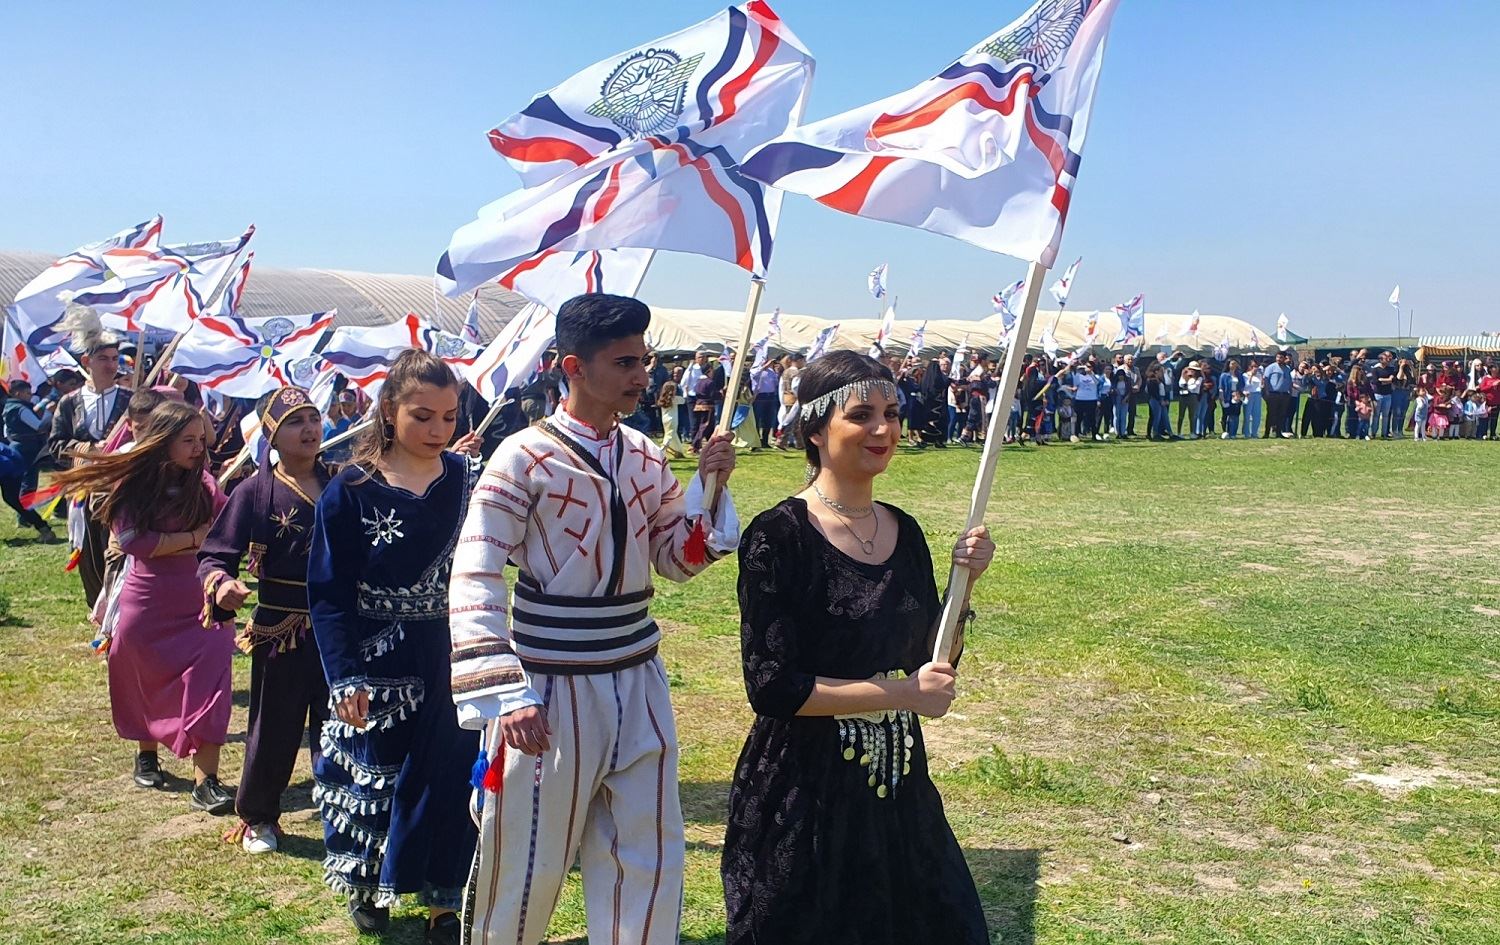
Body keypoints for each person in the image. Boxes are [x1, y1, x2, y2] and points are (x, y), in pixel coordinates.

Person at [448, 294, 740, 945]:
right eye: (626, 362)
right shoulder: (521, 456)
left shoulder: (645, 455)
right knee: (524, 856)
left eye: (646, 359)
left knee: (649, 852)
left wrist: (708, 494)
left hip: (639, 677)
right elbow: (475, 569)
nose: (643, 375)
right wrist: (503, 688)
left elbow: (675, 557)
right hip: (545, 686)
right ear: (574, 365)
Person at [723, 350, 995, 945]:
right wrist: (903, 693)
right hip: (803, 788)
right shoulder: (779, 535)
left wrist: (963, 587)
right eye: (863, 414)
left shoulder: (907, 530)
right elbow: (771, 688)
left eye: (893, 414)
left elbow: (934, 661)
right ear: (816, 429)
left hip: (897, 783)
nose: (883, 430)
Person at [306, 349, 483, 940]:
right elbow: (328, 592)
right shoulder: (351, 490)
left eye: (449, 417)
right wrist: (344, 675)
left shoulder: (467, 481)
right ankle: (365, 884)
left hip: (454, 648)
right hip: (377, 655)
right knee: (373, 772)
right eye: (422, 416)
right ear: (388, 410)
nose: (438, 431)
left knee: (453, 771)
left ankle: (443, 896)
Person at [52, 400, 235, 812]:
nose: (197, 448)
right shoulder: (133, 485)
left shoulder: (204, 484)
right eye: (187, 440)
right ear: (163, 440)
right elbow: (135, 542)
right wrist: (193, 539)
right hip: (146, 601)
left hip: (199, 603)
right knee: (141, 676)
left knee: (212, 681)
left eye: (200, 440)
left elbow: (224, 528)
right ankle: (146, 752)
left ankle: (206, 781)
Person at [198, 388, 333, 855]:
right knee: (274, 726)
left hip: (341, 626)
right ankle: (258, 817)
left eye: (314, 417)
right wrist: (221, 585)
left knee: (341, 725)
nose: (310, 428)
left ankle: (343, 812)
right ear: (273, 434)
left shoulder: (343, 483)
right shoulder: (253, 492)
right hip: (282, 629)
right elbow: (215, 554)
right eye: (296, 421)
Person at [48, 326, 130, 606]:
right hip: (83, 491)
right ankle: (98, 610)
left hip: (120, 489)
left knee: (119, 550)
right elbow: (56, 445)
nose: (111, 365)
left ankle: (119, 614)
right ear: (87, 362)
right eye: (104, 358)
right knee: (90, 554)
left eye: (114, 358)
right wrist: (85, 449)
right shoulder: (69, 403)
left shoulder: (130, 401)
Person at [2, 380, 59, 542]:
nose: (30, 396)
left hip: (12, 458)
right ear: (18, 393)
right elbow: (40, 426)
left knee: (15, 495)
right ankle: (41, 526)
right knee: (18, 492)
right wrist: (49, 413)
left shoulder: (12, 407)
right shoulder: (18, 408)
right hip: (22, 450)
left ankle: (42, 527)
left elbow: (36, 426)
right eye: (27, 393)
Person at [1263, 350, 1294, 438]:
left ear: (1285, 358)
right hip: (1273, 394)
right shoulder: (1271, 367)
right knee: (1271, 414)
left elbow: (1289, 381)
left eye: (1281, 357)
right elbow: (1265, 380)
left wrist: (1290, 391)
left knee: (1282, 414)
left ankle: (1278, 432)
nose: (1278, 359)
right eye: (1277, 357)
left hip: (1284, 394)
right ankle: (1267, 433)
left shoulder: (1287, 369)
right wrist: (1266, 391)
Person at [1218, 359, 1245, 439]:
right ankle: (1226, 432)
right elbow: (1221, 387)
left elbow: (1242, 385)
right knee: (1226, 415)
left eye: (1235, 364)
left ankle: (1233, 433)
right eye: (1232, 364)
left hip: (1237, 396)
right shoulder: (1224, 375)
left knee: (1235, 415)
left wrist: (1239, 394)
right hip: (1227, 396)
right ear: (1228, 365)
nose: (1233, 365)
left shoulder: (1239, 375)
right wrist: (1222, 398)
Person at [1177, 362, 1202, 438]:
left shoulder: (1199, 378)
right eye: (1191, 369)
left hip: (1193, 397)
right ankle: (1179, 432)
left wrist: (1187, 385)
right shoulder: (1184, 376)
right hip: (1183, 396)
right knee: (1181, 415)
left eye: (1194, 370)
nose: (1192, 371)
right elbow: (1181, 384)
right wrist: (1184, 375)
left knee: (1192, 415)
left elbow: (1194, 388)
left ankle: (1192, 432)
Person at [1243, 361, 1264, 437]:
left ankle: (1254, 432)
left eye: (1256, 366)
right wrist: (1251, 376)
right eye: (1253, 366)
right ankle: (1246, 432)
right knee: (1247, 415)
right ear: (1249, 367)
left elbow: (1261, 386)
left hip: (1257, 394)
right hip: (1249, 394)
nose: (1255, 368)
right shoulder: (1245, 375)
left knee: (1257, 415)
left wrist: (1262, 378)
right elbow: (1247, 385)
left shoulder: (1259, 375)